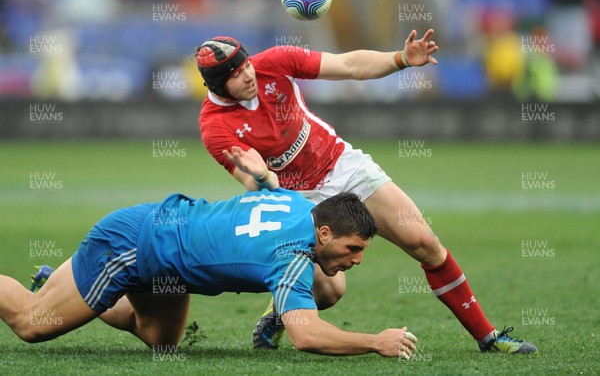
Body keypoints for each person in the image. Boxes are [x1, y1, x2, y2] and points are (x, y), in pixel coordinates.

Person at [195, 33, 538, 354]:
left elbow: (349, 65)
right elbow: (257, 185)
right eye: (237, 75)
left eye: (247, 66)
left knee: (424, 242)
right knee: (330, 291)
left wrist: (401, 58)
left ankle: (488, 337)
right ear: (217, 86)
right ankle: (280, 311)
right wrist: (261, 175)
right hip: (297, 197)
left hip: (341, 164)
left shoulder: (276, 61)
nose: (249, 76)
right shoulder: (214, 127)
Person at [0, 147, 418, 358]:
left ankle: (65, 280)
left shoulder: (302, 206)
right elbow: (306, 336)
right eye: (353, 249)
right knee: (31, 324)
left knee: (160, 342)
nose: (357, 259)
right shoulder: (289, 255)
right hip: (131, 245)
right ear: (323, 232)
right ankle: (67, 285)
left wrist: (266, 177)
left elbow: (329, 275)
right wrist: (375, 342)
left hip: (167, 261)